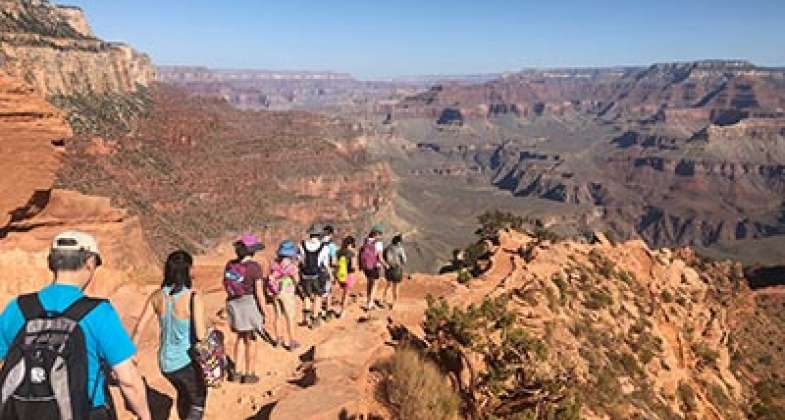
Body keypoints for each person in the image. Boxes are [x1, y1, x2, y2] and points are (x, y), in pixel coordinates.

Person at [0, 231, 151, 420]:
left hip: (22, 412)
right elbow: (128, 379)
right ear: (89, 263)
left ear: (51, 263)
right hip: (85, 412)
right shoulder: (99, 312)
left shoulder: (18, 308)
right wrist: (145, 416)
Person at [132, 250, 208, 420]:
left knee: (183, 392)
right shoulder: (193, 298)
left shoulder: (157, 297)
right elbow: (202, 336)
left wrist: (130, 355)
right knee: (198, 400)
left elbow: (139, 328)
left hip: (165, 363)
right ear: (187, 270)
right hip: (185, 362)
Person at [223, 234, 266, 384]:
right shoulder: (255, 267)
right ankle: (249, 373)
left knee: (240, 338)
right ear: (252, 251)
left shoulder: (230, 265)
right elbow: (259, 293)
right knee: (251, 339)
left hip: (234, 304)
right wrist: (264, 311)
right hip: (250, 304)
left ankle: (237, 372)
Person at [267, 241, 301, 351]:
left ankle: (278, 339)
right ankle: (292, 342)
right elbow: (297, 280)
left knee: (278, 316)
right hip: (287, 293)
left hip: (275, 292)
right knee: (289, 317)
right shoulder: (291, 266)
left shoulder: (274, 264)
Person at [299, 225, 331, 328]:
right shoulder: (324, 247)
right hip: (317, 274)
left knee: (307, 295)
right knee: (318, 295)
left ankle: (305, 318)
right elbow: (325, 264)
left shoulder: (302, 245)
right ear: (319, 235)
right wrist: (330, 275)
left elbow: (301, 260)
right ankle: (314, 317)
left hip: (305, 274)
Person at [360, 224, 387, 311]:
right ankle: (370, 304)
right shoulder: (378, 243)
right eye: (380, 234)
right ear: (377, 233)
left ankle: (368, 301)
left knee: (369, 283)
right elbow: (379, 257)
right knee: (375, 284)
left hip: (366, 266)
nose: (381, 235)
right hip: (375, 266)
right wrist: (386, 265)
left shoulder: (366, 241)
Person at [382, 233, 408, 310]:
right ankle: (394, 303)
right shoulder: (400, 249)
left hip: (388, 269)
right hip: (397, 269)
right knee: (396, 286)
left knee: (388, 284)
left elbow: (383, 258)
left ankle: (384, 298)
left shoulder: (387, 248)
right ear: (399, 242)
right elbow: (404, 260)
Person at [335, 236, 357, 318]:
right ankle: (342, 311)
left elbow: (336, 264)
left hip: (340, 274)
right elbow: (353, 266)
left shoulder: (339, 252)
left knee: (342, 292)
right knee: (346, 293)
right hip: (349, 275)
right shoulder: (352, 253)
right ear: (351, 244)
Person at [321, 225, 339, 319]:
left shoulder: (318, 243)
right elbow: (334, 261)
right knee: (328, 291)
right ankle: (327, 311)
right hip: (328, 270)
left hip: (317, 270)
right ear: (331, 234)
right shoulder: (332, 246)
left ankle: (318, 312)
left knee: (319, 292)